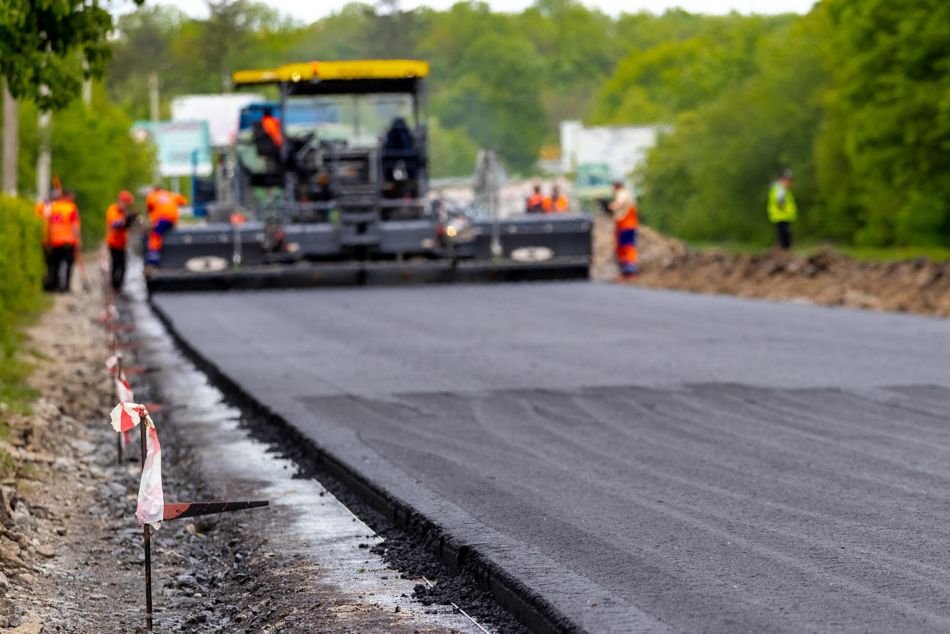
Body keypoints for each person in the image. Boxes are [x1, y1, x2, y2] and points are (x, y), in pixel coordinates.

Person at [44, 188, 81, 292]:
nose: (73, 199)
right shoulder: (71, 208)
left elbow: (51, 224)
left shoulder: (54, 207)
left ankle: (55, 285)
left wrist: (48, 240)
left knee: (55, 264)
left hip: (55, 241)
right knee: (68, 265)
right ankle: (65, 287)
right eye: (71, 196)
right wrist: (78, 240)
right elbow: (74, 225)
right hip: (68, 241)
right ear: (67, 196)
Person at [145, 186, 186, 267]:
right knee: (166, 232)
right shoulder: (170, 194)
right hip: (172, 219)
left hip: (163, 218)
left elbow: (149, 209)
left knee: (155, 235)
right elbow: (184, 201)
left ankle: (153, 260)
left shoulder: (152, 196)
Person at [105, 191, 136, 293]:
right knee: (116, 265)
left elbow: (125, 226)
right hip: (114, 242)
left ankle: (119, 286)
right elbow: (115, 224)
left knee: (122, 266)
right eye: (125, 203)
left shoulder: (123, 212)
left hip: (122, 243)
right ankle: (115, 286)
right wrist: (125, 221)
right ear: (121, 201)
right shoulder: (112, 210)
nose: (126, 206)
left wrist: (129, 221)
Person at [608, 181, 638, 279]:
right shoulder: (627, 194)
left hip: (626, 225)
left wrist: (611, 206)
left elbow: (618, 204)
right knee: (623, 247)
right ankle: (626, 271)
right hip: (625, 225)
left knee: (627, 247)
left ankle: (629, 271)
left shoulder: (622, 194)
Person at [767, 169, 797, 249]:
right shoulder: (780, 189)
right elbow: (781, 201)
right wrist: (784, 208)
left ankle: (783, 254)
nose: (789, 182)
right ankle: (783, 255)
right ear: (782, 179)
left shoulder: (778, 188)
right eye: (788, 180)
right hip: (782, 216)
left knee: (783, 237)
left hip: (781, 217)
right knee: (785, 239)